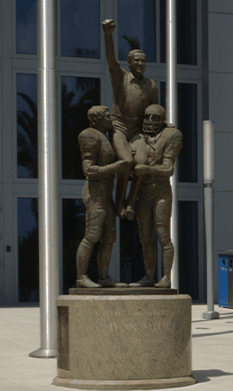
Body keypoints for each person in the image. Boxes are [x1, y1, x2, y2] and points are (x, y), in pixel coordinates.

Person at [102, 19, 159, 222]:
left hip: (138, 132)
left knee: (141, 163)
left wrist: (163, 125)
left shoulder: (151, 86)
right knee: (126, 162)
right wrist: (108, 35)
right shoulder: (121, 77)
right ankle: (119, 201)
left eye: (143, 61)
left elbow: (155, 110)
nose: (140, 64)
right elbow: (110, 59)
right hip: (119, 127)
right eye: (137, 61)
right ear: (129, 62)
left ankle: (130, 202)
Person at [129, 104, 181, 288]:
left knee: (163, 234)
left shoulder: (171, 136)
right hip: (143, 191)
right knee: (145, 237)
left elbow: (168, 169)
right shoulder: (138, 139)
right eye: (147, 117)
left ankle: (166, 278)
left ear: (162, 120)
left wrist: (147, 169)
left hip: (160, 190)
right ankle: (149, 276)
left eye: (154, 118)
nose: (149, 122)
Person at [75, 106, 126, 288]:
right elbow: (88, 170)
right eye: (106, 116)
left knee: (110, 237)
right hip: (95, 191)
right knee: (92, 235)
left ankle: (103, 277)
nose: (110, 118)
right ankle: (81, 277)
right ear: (96, 120)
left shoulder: (106, 136)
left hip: (107, 193)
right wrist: (116, 167)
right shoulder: (88, 135)